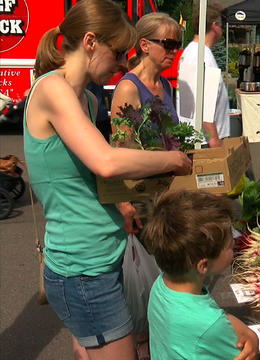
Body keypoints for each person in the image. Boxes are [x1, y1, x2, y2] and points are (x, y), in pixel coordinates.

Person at [24, 0, 192, 359]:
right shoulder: (53, 90)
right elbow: (105, 162)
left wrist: (120, 205)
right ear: (89, 42)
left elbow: (83, 173)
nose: (120, 64)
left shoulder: (85, 98)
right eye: (116, 52)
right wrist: (173, 159)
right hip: (83, 269)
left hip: (99, 257)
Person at [109, 12, 185, 358]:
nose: (173, 50)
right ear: (144, 45)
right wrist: (125, 204)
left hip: (168, 197)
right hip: (143, 202)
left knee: (168, 282)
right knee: (149, 292)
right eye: (167, 44)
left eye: (177, 44)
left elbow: (171, 137)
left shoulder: (165, 84)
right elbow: (122, 153)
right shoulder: (128, 88)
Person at [144, 189, 259, 360]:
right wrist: (254, 341)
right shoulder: (210, 326)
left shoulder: (161, 286)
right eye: (229, 245)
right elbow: (244, 354)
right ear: (203, 265)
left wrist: (247, 332)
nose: (234, 243)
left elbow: (216, 320)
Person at [179, 3, 229, 149]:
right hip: (204, 143)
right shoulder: (201, 56)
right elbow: (203, 105)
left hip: (200, 139)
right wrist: (214, 140)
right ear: (214, 26)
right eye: (221, 24)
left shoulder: (193, 52)